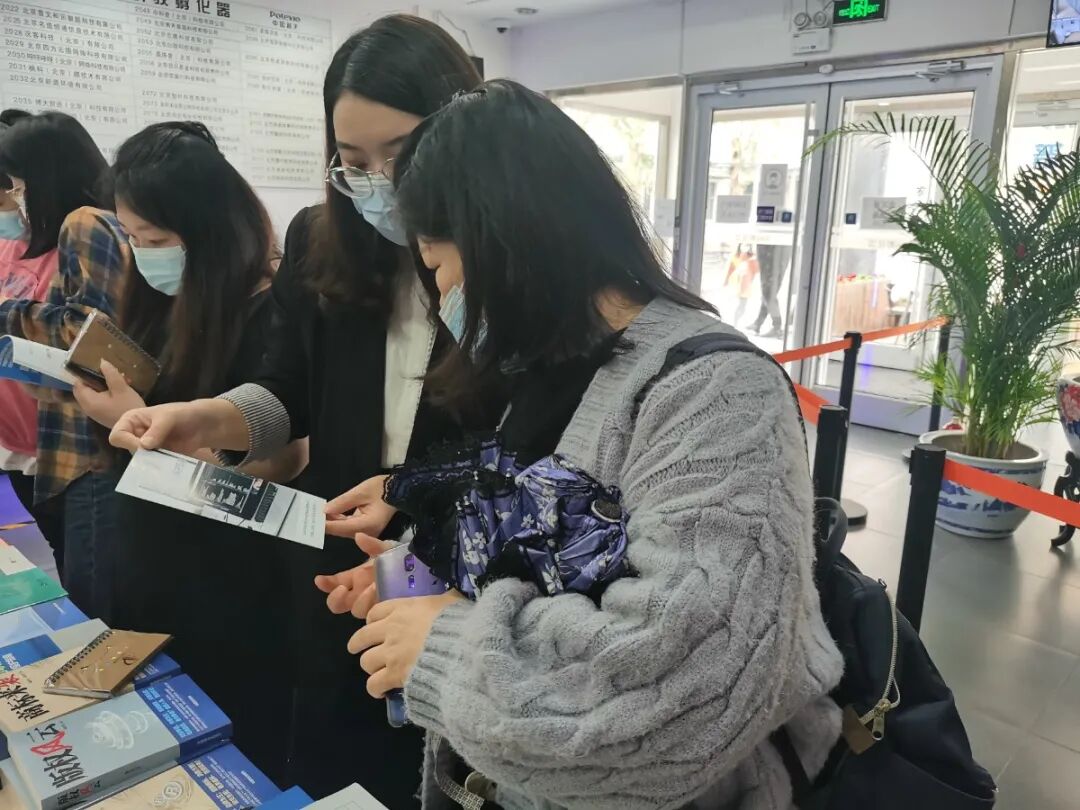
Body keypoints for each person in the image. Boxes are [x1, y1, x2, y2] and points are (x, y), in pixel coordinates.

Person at [330, 81, 844, 810]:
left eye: (440, 270)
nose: (445, 303)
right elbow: (544, 547)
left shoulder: (717, 392)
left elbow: (684, 690)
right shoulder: (548, 368)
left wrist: (441, 645)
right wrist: (428, 572)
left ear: (505, 242)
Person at [109, 15, 495, 804]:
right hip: (336, 569)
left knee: (433, 772)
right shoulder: (323, 240)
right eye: (354, 161)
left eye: (403, 155)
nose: (381, 182)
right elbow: (285, 392)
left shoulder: (499, 264)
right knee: (334, 764)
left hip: (455, 584)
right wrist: (205, 418)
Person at [71, 121, 306, 780]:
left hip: (234, 592)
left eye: (157, 240)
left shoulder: (273, 314)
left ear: (210, 229)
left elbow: (268, 486)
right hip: (150, 562)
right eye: (132, 237)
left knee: (233, 759)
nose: (143, 255)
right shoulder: (158, 302)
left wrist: (139, 427)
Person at [0, 112, 128, 611]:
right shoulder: (29, 237)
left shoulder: (87, 224)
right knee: (79, 575)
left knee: (95, 594)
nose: (15, 196)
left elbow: (91, 333)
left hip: (85, 443)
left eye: (18, 184)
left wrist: (7, 316)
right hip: (42, 446)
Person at [0, 116, 65, 552]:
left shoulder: (70, 247)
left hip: (59, 442)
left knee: (75, 551)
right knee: (56, 546)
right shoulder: (7, 244)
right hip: (12, 439)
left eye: (14, 188)